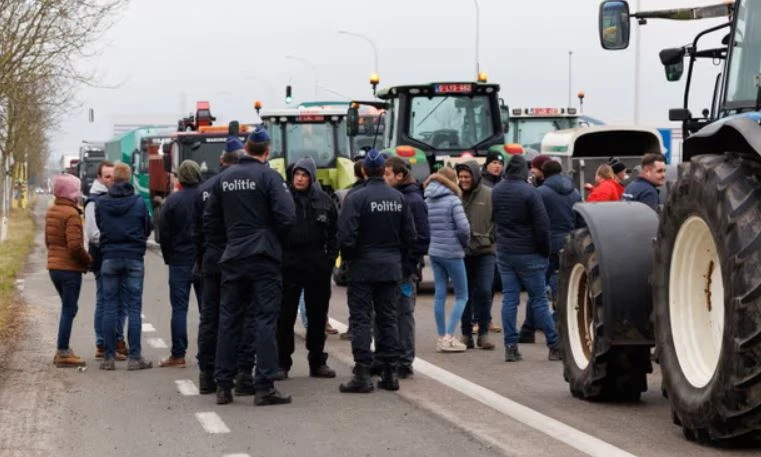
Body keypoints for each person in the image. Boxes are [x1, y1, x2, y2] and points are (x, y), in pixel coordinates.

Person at [205, 126, 295, 406]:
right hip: (263, 257)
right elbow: (287, 216)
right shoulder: (269, 176)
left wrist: (231, 240)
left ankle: (223, 385)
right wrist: (273, 240)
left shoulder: (224, 179)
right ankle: (264, 384)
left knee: (229, 320)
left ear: (246, 147)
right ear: (267, 151)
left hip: (233, 256)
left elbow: (210, 220)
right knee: (265, 319)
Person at [337, 149, 416, 393]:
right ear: (383, 171)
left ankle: (362, 373)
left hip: (362, 267)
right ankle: (390, 372)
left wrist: (349, 262)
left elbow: (346, 236)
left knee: (361, 319)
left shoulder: (356, 198)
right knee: (388, 318)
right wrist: (401, 264)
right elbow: (410, 237)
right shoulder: (398, 198)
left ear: (363, 171)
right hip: (390, 267)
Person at [194, 139, 253, 395]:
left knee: (210, 318)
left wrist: (201, 259)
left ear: (221, 159)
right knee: (239, 319)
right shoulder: (244, 187)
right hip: (237, 259)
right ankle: (241, 373)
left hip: (211, 259)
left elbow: (197, 231)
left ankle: (208, 374)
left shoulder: (205, 189)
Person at [492, 155, 561, 362]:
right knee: (539, 300)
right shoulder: (529, 191)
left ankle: (510, 346)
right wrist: (544, 251)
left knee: (510, 299)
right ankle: (554, 344)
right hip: (530, 252)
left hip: (505, 251)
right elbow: (542, 225)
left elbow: (494, 219)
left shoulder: (497, 190)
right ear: (523, 170)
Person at [277, 157, 338, 379]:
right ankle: (282, 362)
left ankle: (317, 361)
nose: (299, 179)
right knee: (284, 316)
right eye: (296, 174)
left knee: (317, 316)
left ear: (311, 178)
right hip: (289, 262)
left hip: (316, 264)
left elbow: (334, 234)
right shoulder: (284, 200)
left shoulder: (324, 201)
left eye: (304, 175)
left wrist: (328, 260)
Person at [96, 163, 153, 371]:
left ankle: (109, 357)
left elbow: (101, 225)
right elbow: (147, 227)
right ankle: (135, 357)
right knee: (134, 308)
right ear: (129, 179)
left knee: (109, 307)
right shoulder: (138, 202)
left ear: (112, 180)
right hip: (133, 258)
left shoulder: (102, 203)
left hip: (110, 257)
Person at [383, 156, 429, 377]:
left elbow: (422, 239)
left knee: (403, 313)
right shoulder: (399, 197)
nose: (384, 178)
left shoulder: (413, 201)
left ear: (400, 175)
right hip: (393, 266)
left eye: (387, 174)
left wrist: (408, 265)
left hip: (404, 269)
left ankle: (404, 361)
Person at [159, 160, 204, 368]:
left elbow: (163, 235)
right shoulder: (207, 197)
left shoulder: (172, 201)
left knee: (179, 309)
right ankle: (206, 352)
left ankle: (178, 354)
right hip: (203, 259)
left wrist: (169, 257)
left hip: (179, 261)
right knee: (208, 309)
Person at [46, 174, 92, 367]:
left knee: (67, 307)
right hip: (69, 269)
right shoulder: (71, 214)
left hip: (54, 267)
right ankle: (63, 351)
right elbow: (74, 246)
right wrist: (88, 261)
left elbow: (49, 241)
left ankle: (62, 349)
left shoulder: (52, 211)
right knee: (69, 308)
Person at [84, 160, 127, 360]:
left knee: (120, 301)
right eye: (107, 176)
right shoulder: (94, 201)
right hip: (102, 256)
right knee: (104, 300)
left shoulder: (114, 197)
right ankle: (102, 343)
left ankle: (117, 340)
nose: (111, 180)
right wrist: (115, 238)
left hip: (113, 253)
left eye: (113, 176)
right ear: (100, 178)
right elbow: (93, 234)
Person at [424, 167, 470, 353]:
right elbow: (464, 228)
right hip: (452, 251)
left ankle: (441, 335)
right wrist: (464, 243)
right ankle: (449, 337)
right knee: (462, 295)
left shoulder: (427, 199)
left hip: (435, 251)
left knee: (440, 294)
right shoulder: (453, 200)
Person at [454, 160, 496, 351]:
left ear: (475, 176)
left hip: (485, 251)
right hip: (462, 252)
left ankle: (484, 333)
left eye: (467, 176)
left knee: (485, 290)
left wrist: (491, 238)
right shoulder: (455, 195)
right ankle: (466, 333)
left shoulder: (489, 194)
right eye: (461, 177)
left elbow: (497, 220)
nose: (463, 180)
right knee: (464, 294)